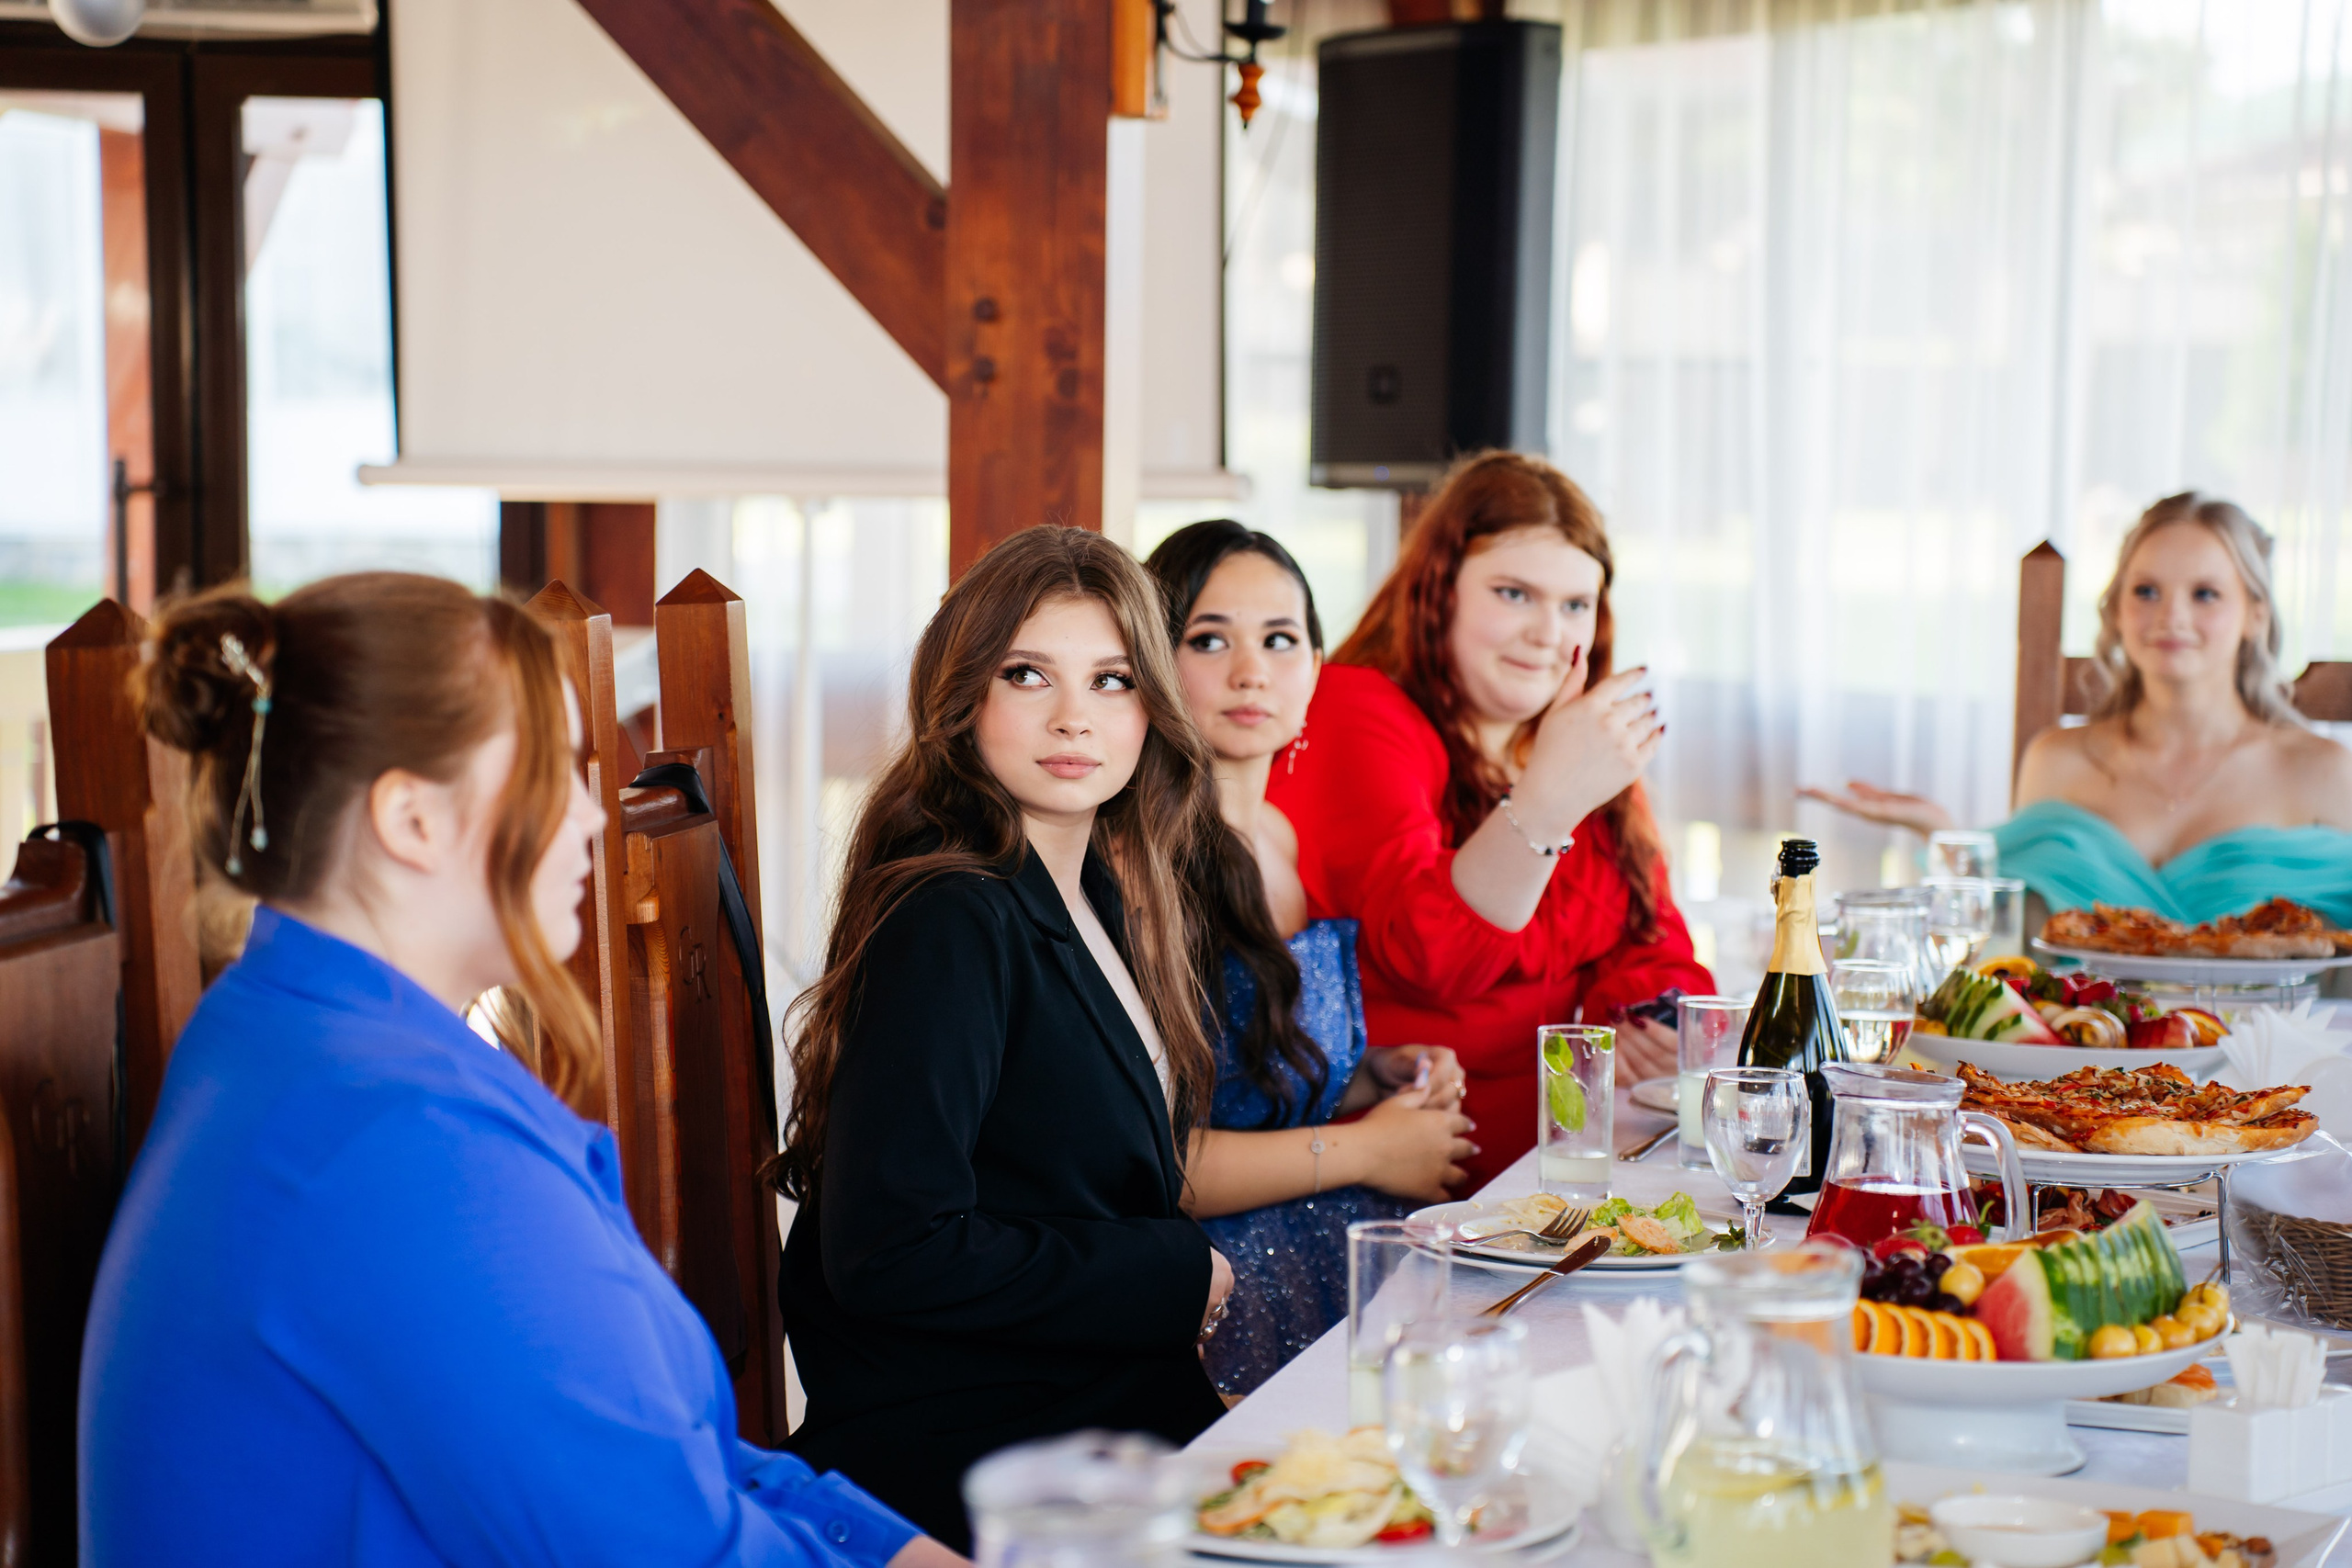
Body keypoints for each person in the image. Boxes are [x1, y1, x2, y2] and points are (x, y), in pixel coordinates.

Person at [81, 574, 952, 1568]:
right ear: (412, 820)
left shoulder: (278, 1031)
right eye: (557, 773)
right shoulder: (395, 1148)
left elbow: (664, 1468)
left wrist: (886, 1548)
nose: (593, 819)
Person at [776, 526, 1237, 1548]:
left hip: (1087, 1407)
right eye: (1029, 675)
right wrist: (1170, 1274)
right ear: (964, 698)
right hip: (978, 1451)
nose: (1075, 717)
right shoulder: (953, 914)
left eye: (1112, 680)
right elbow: (891, 1252)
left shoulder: (1096, 891)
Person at [1268, 452, 1714, 1194]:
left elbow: (1649, 935)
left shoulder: (1572, 738)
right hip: (1401, 1169)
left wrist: (1650, 1024)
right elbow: (1429, 951)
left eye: (1576, 605)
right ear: (1438, 589)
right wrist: (1544, 801)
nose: (1549, 633)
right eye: (1515, 593)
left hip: (1556, 1168)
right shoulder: (1358, 707)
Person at [1144, 520, 1475, 1398]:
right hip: (1224, 1295)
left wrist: (1375, 1077)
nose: (1251, 670)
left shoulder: (1278, 835)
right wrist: (1369, 1149)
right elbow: (1151, 1159)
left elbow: (1245, 1072)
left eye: (1279, 640)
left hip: (1333, 1262)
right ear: (1146, 653)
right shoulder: (1145, 867)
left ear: (1317, 667)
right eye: (1208, 638)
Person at [1804, 492, 2352, 926]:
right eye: (2146, 591)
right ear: (2115, 610)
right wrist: (1944, 837)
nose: (2171, 617)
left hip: (2273, 1062)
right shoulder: (2057, 759)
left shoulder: (2323, 770)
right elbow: (2014, 946)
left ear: (2255, 614)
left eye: (2205, 593)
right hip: (2081, 1058)